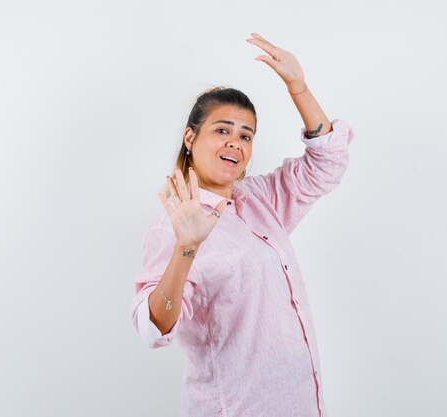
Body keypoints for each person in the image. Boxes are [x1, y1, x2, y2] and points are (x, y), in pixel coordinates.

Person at [130, 33, 355, 417]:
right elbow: (152, 328)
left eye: (245, 135)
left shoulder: (259, 199)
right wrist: (187, 248)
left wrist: (298, 88)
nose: (235, 142)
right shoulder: (173, 226)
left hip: (300, 404)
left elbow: (327, 164)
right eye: (222, 130)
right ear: (190, 137)